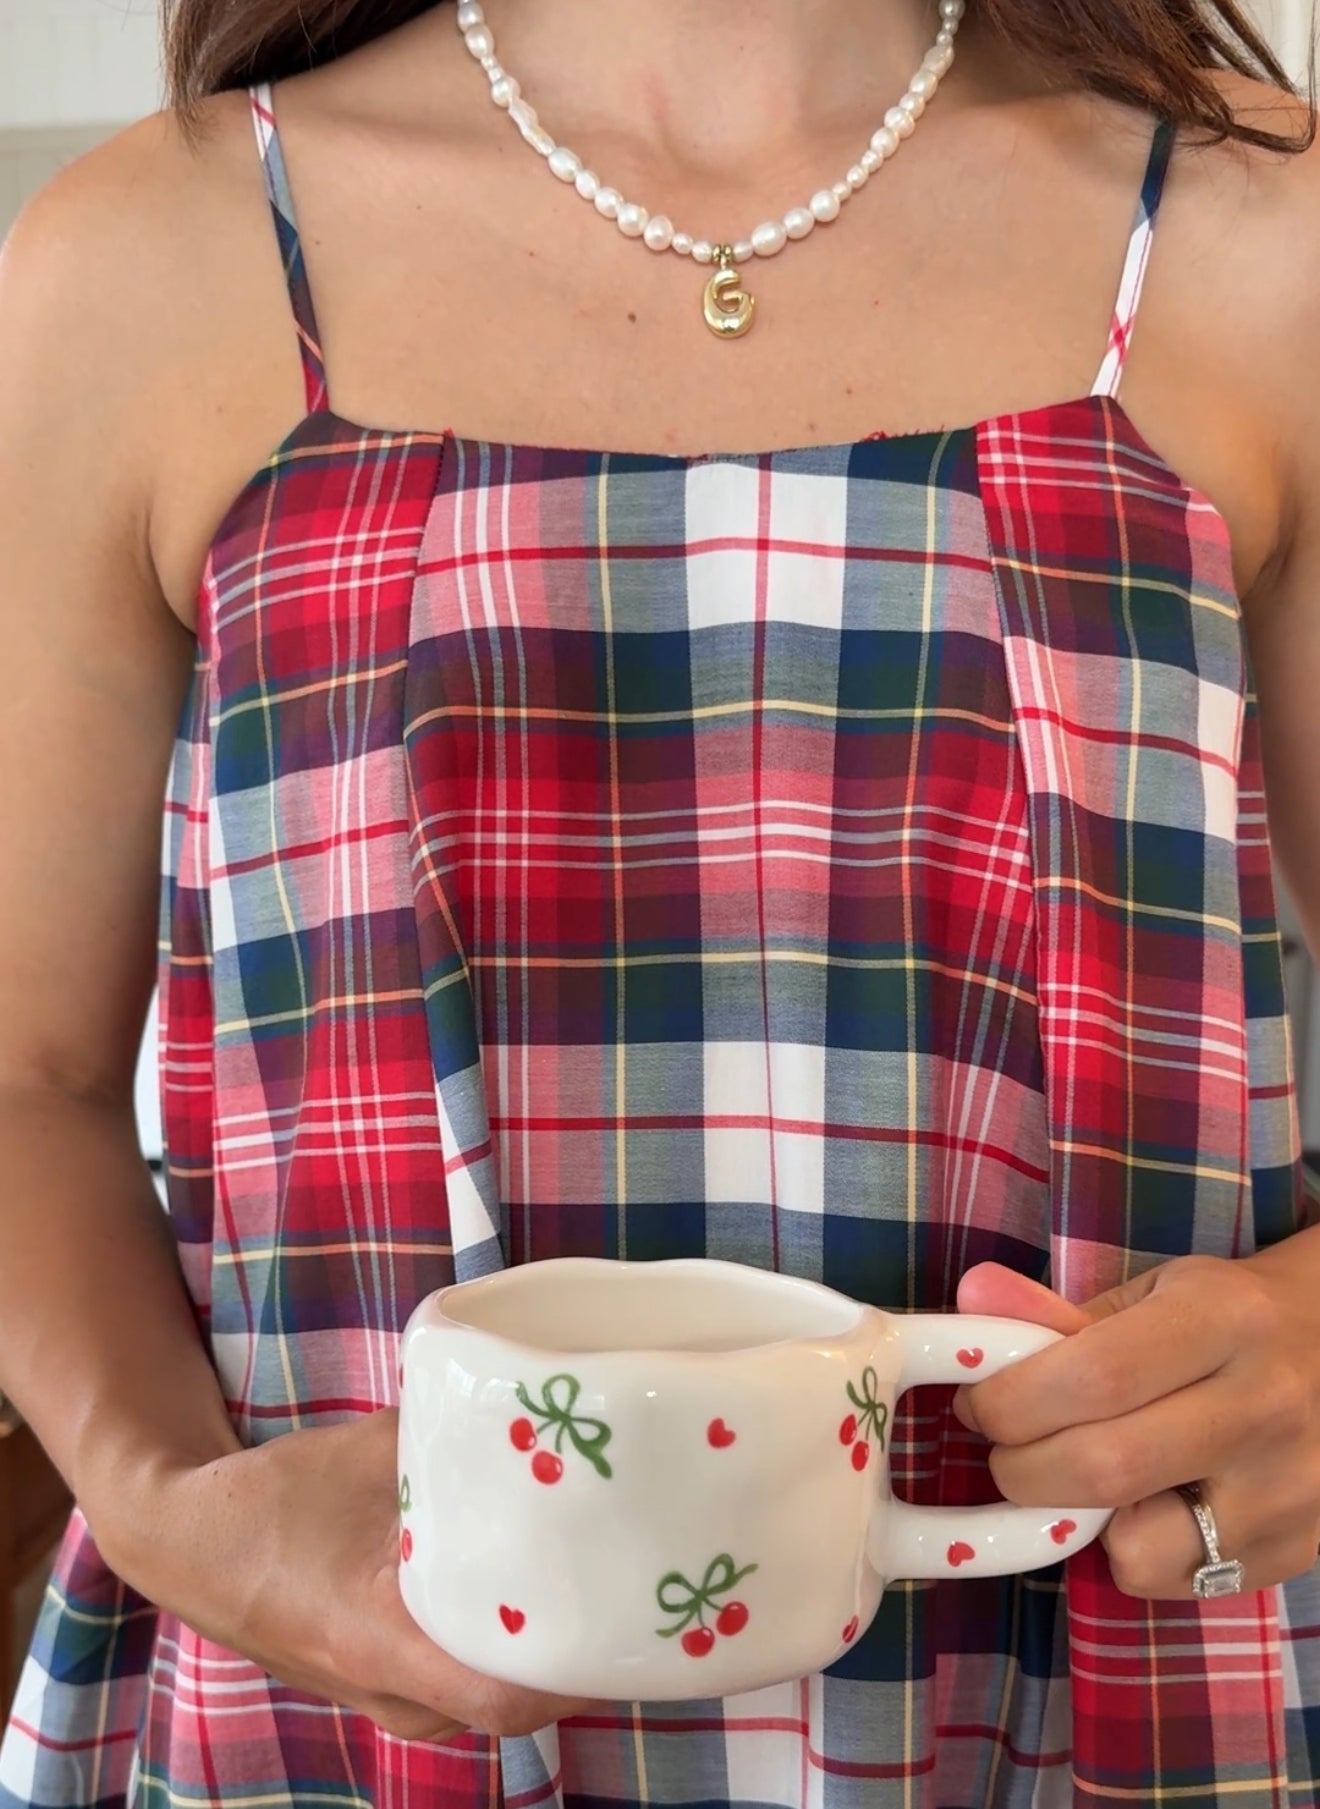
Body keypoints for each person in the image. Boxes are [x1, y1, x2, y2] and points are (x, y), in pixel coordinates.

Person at [1, 0, 1319, 1802]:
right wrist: (171, 1511)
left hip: (1101, 1668)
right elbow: (24, 1076)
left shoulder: (1270, 242)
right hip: (346, 1704)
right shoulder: (140, 269)